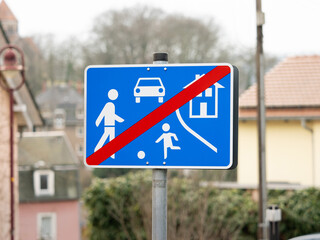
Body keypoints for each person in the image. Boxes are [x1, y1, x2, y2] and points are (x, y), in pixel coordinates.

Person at [94, 89, 124, 158]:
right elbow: (104, 113)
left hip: (112, 125)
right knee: (105, 136)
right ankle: (97, 149)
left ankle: (112, 154)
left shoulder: (112, 105)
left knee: (112, 139)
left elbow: (110, 114)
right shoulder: (109, 105)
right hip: (108, 124)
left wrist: (119, 119)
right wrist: (119, 120)